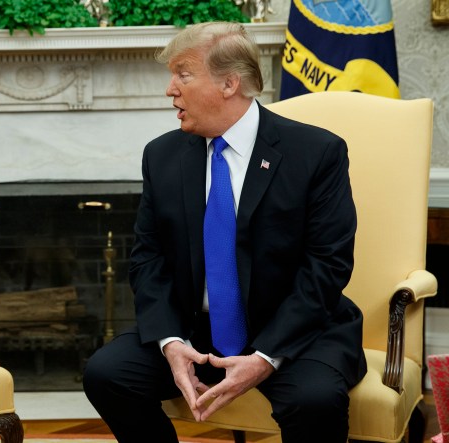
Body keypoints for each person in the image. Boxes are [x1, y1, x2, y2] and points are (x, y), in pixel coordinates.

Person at [82, 22, 366, 443]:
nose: (169, 90)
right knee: (107, 375)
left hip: (295, 330)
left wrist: (266, 356)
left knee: (315, 400)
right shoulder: (162, 155)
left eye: (183, 73)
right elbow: (148, 257)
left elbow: (327, 264)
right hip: (194, 330)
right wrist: (170, 341)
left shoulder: (316, 153)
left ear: (230, 83)